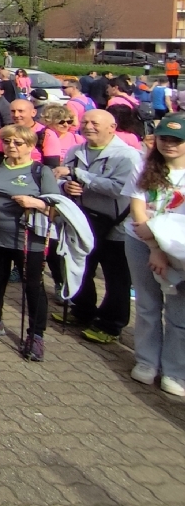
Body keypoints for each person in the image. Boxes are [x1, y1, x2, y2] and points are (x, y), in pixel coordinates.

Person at [0, 125, 62, 360]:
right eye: (8, 141)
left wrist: (35, 202)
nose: (11, 146)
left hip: (28, 240)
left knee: (32, 287)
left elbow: (55, 207)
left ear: (31, 146)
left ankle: (36, 336)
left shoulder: (40, 171)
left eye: (18, 143)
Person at [54, 109, 142, 344]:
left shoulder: (128, 156)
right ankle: (82, 311)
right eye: (84, 121)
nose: (88, 126)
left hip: (116, 227)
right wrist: (65, 186)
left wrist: (78, 174)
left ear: (112, 127)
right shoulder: (75, 150)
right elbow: (62, 178)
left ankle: (111, 324)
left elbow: (119, 189)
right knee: (81, 267)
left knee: (117, 278)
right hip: (83, 221)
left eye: (95, 123)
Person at [124, 117, 185, 396]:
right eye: (164, 138)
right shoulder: (143, 164)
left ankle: (174, 371)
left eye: (176, 140)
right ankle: (147, 361)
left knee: (178, 311)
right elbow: (137, 205)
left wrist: (166, 248)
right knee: (148, 304)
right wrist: (154, 248)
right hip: (142, 242)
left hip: (179, 249)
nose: (168, 144)